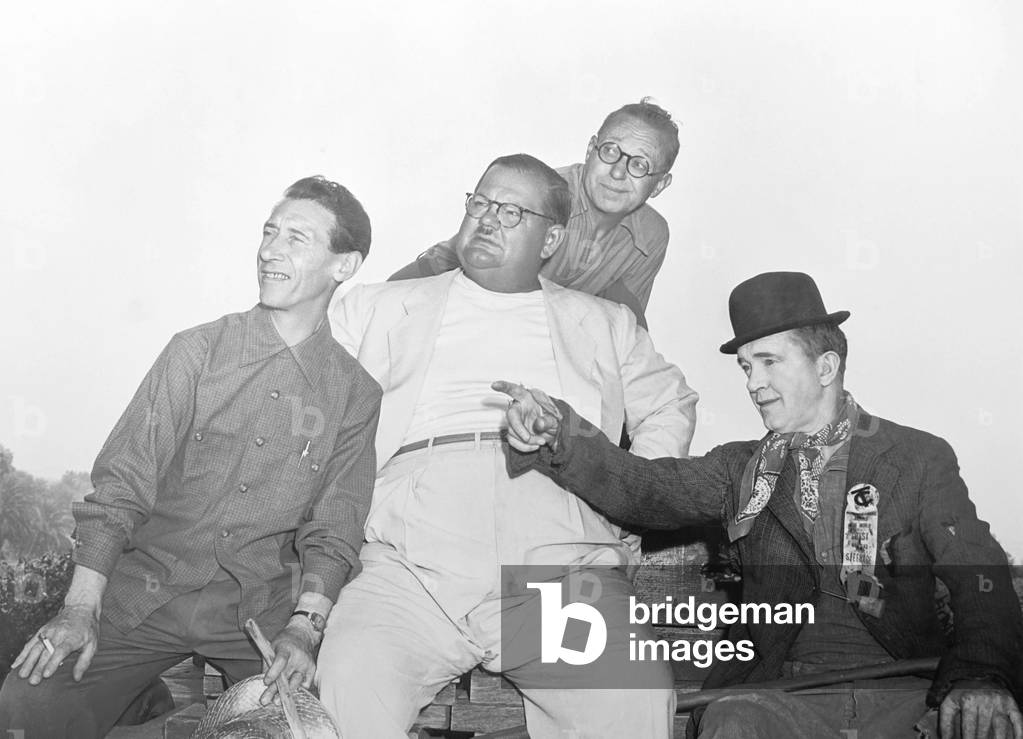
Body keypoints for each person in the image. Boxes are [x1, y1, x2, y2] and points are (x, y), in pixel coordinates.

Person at [499, 271, 1023, 739]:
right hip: (777, 703)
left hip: (904, 698)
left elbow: (978, 575)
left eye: (769, 362)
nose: (753, 384)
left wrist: (982, 676)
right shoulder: (739, 469)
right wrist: (559, 435)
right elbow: (644, 488)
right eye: (747, 367)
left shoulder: (917, 458)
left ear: (826, 366)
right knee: (732, 722)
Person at [320, 153, 698, 739]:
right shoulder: (374, 306)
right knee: (351, 680)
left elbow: (671, 403)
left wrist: (625, 489)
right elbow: (298, 390)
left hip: (556, 556)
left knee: (632, 699)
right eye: (480, 203)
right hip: (411, 551)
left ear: (551, 238)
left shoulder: (604, 322)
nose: (487, 219)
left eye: (511, 211)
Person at [0, 177, 382, 739]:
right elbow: (120, 487)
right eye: (269, 232)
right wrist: (80, 610)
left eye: (296, 238)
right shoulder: (195, 352)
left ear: (343, 265)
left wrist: (305, 627)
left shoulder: (354, 393)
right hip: (144, 593)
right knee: (27, 705)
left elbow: (335, 530)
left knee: (310, 728)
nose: (270, 250)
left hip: (255, 613)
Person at [388, 98, 679, 327]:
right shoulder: (544, 193)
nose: (617, 171)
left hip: (535, 334)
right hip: (450, 295)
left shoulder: (651, 236)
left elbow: (624, 323)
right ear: (591, 149)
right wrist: (383, 301)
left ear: (660, 184)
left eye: (639, 164)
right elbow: (460, 272)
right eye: (610, 151)